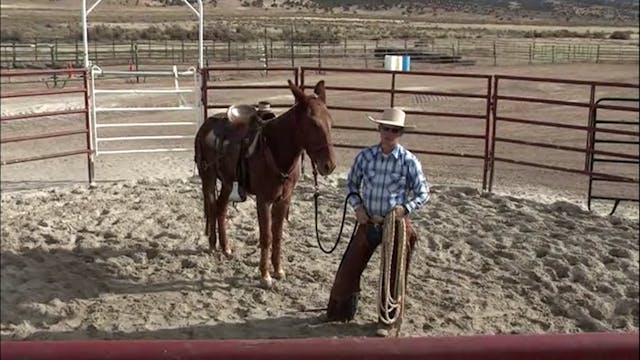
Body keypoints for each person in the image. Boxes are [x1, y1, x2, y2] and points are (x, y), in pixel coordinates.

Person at [325, 107, 430, 337]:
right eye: (385, 128)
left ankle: (387, 320)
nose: (388, 133)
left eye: (393, 130)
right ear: (379, 129)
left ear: (400, 133)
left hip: (395, 226)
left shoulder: (409, 161)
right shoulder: (365, 157)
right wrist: (358, 207)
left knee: (393, 273)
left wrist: (405, 208)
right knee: (349, 269)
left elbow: (423, 193)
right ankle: (340, 310)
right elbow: (351, 184)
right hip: (369, 221)